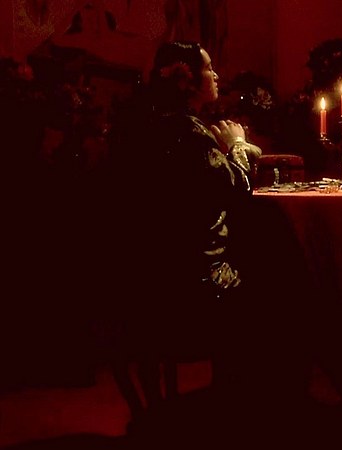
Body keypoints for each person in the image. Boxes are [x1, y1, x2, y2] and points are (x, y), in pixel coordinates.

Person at [104, 40, 262, 434]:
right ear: (186, 80)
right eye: (208, 68)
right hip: (195, 284)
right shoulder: (189, 133)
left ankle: (170, 411)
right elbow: (239, 191)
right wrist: (237, 145)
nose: (216, 75)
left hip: (141, 280)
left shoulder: (136, 127)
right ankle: (248, 406)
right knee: (278, 282)